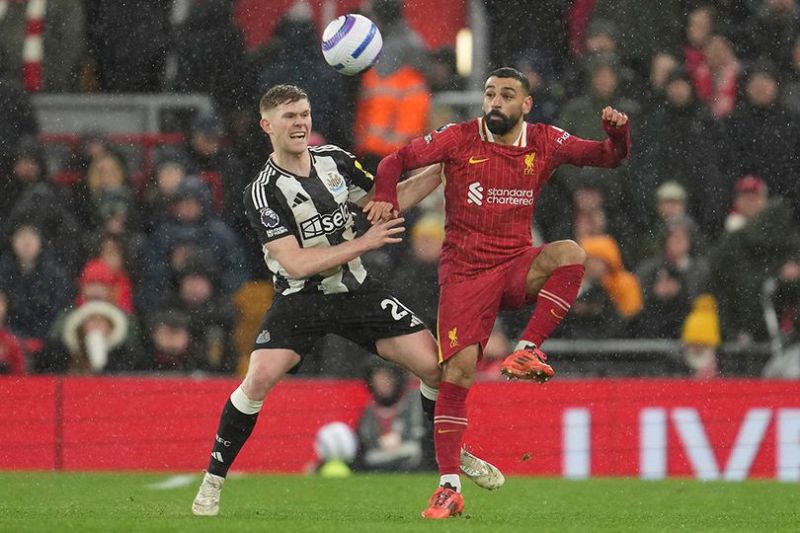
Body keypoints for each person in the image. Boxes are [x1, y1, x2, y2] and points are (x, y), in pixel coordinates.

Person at [191, 84, 503, 517]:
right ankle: (212, 481)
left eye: (304, 113)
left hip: (356, 291)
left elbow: (385, 205)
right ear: (267, 126)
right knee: (258, 377)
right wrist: (365, 242)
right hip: (301, 299)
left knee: (436, 367)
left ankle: (454, 451)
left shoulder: (335, 161)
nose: (300, 122)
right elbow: (296, 264)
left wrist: (443, 168)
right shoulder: (262, 192)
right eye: (289, 117)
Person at [366, 67, 630, 518]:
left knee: (569, 253)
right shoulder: (459, 137)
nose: (495, 101)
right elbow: (394, 161)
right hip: (464, 277)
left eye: (507, 94)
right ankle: (448, 486)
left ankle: (527, 350)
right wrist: (385, 195)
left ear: (525, 105)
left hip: (513, 266)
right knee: (458, 376)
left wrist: (618, 135)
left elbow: (608, 157)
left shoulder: (545, 140)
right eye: (490, 93)